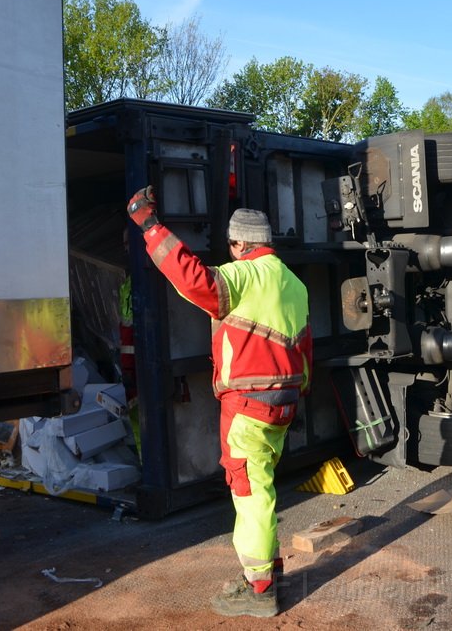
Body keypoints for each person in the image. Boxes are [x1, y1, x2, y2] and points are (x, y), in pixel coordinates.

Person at [127, 187, 312, 618]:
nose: (229, 252)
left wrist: (151, 228)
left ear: (242, 244)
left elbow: (196, 280)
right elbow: (306, 352)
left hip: (248, 405)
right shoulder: (295, 284)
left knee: (249, 491)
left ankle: (260, 588)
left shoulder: (244, 275)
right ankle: (269, 569)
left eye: (231, 245)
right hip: (283, 403)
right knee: (261, 487)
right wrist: (297, 394)